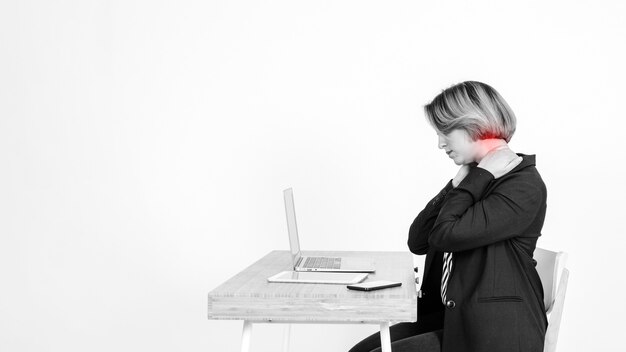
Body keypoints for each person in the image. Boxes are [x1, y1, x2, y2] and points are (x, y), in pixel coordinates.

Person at [349, 81, 548, 352]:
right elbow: (418, 240)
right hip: (454, 317)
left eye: (445, 132)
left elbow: (446, 236)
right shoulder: (475, 178)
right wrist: (456, 185)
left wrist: (478, 177)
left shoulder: (521, 185)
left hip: (493, 333)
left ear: (473, 124)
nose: (440, 143)